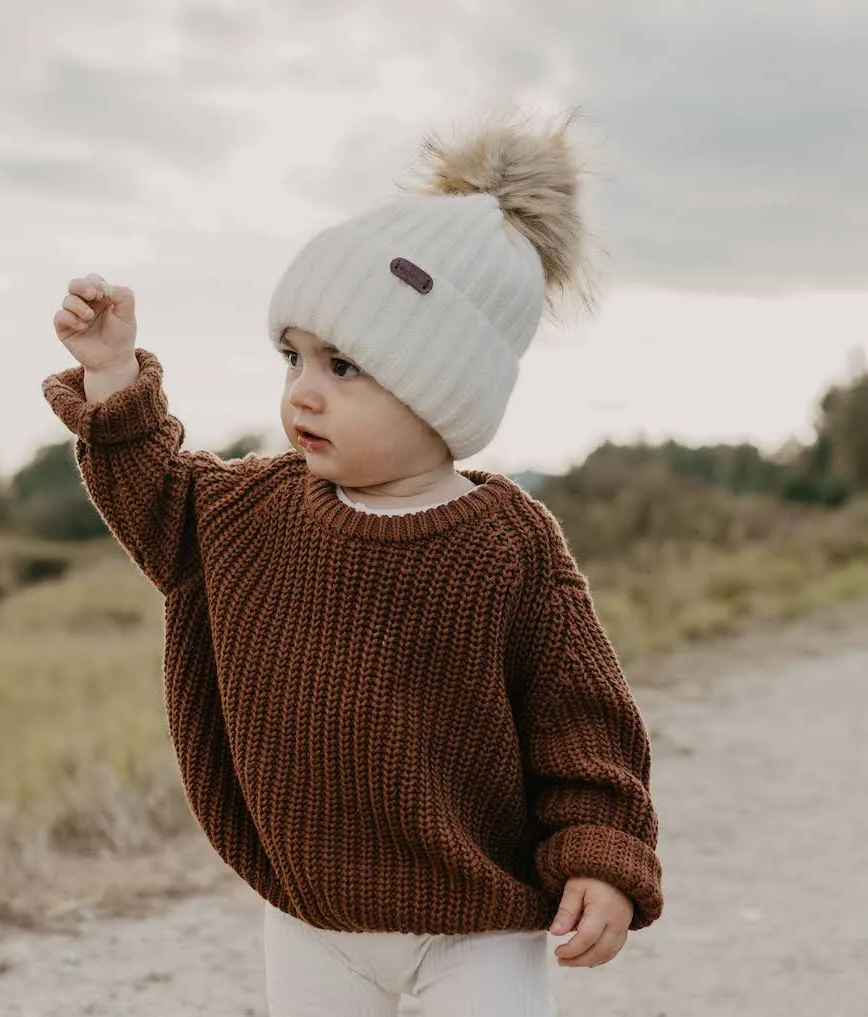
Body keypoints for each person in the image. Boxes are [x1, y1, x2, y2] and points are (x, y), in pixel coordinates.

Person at [43, 108, 662, 1016]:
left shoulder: (506, 543)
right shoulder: (251, 509)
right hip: (313, 916)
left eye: (344, 366)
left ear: (440, 388)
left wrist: (601, 859)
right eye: (293, 355)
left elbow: (582, 725)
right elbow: (155, 496)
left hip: (476, 921)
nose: (303, 389)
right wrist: (111, 374)